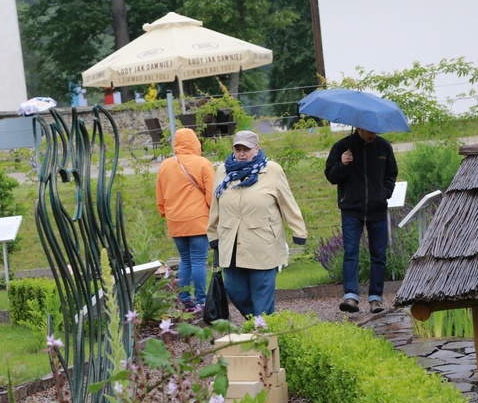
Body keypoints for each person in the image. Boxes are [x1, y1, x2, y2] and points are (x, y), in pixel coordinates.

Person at [207, 130, 307, 317]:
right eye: (238, 149)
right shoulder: (223, 171)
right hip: (232, 243)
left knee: (262, 292)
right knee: (234, 289)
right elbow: (216, 204)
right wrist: (212, 233)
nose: (242, 153)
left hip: (263, 243)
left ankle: (264, 334)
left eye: (246, 149)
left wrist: (299, 231)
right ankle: (259, 323)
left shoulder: (272, 170)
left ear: (257, 148)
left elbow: (288, 202)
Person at [324, 127, 398, 314]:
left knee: (379, 255)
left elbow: (391, 174)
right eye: (369, 131)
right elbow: (331, 176)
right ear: (359, 128)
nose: (373, 134)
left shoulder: (384, 147)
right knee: (350, 252)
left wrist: (384, 194)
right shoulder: (342, 146)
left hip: (377, 209)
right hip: (351, 209)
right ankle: (351, 297)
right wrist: (342, 164)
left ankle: (376, 299)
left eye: (375, 130)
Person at [156, 128, 215, 312]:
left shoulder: (165, 165)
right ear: (195, 142)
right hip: (198, 220)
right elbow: (212, 195)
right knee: (199, 260)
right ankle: (200, 300)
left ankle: (184, 299)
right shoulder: (203, 163)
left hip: (175, 220)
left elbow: (160, 194)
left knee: (185, 261)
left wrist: (165, 212)